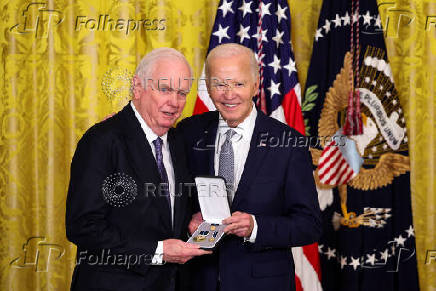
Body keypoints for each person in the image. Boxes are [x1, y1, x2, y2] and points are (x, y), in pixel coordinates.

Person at [176, 43, 322, 291]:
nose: (229, 94)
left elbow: (309, 225)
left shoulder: (289, 143)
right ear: (208, 88)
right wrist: (187, 222)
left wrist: (256, 227)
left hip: (263, 284)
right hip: (198, 280)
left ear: (255, 85)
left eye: (239, 84)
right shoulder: (188, 132)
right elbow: (169, 201)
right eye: (220, 84)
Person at [66, 48, 210, 291]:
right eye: (164, 89)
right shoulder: (102, 140)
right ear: (137, 87)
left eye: (182, 93)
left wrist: (192, 219)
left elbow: (162, 214)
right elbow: (83, 227)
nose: (174, 102)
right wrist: (159, 251)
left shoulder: (176, 142)